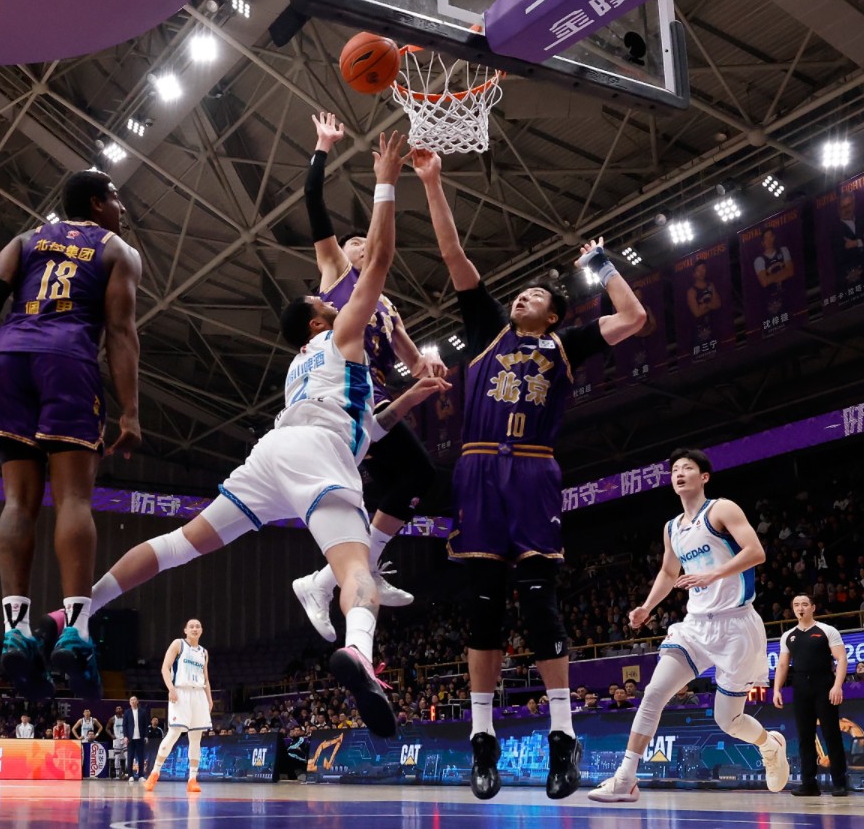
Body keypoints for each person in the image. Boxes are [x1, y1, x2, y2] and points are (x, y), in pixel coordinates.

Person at [88, 133, 443, 739]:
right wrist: (376, 175)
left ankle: (77, 609)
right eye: (322, 298)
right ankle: (355, 635)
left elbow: (376, 413)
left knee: (180, 544)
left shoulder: (314, 354)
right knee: (358, 562)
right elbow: (368, 250)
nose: (356, 249)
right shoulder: (342, 316)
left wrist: (415, 387)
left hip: (289, 443)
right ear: (318, 314)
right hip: (327, 437)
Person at [410, 148, 645, 802]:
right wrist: (431, 181)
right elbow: (453, 252)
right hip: (478, 467)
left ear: (553, 313)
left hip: (533, 470)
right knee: (483, 607)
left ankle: (562, 737)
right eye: (519, 292)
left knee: (539, 602)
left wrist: (602, 264)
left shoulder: (565, 344)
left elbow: (633, 318)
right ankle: (482, 739)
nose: (521, 295)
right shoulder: (487, 330)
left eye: (536, 294)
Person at [0, 168, 143, 701]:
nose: (122, 208)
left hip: (9, 357)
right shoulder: (116, 250)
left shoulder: (24, 240)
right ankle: (77, 630)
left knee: (18, 500)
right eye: (116, 198)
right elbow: (120, 332)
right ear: (97, 203)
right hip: (66, 359)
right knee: (73, 499)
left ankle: (15, 630)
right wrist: (130, 412)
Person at [291, 112, 446, 640]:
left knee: (406, 484)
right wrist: (321, 148)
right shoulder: (335, 275)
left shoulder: (388, 306)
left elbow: (413, 360)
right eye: (353, 241)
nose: (358, 244)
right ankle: (335, 577)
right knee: (415, 474)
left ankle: (331, 578)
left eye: (363, 242)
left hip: (374, 401)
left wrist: (428, 367)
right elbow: (313, 203)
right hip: (346, 399)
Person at [588, 449, 789, 803]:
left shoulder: (722, 509)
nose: (679, 473)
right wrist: (647, 606)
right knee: (653, 693)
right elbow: (669, 572)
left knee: (728, 721)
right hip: (695, 626)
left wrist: (713, 574)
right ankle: (625, 779)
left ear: (704, 476)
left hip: (736, 627)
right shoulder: (672, 528)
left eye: (687, 468)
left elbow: (756, 551)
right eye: (675, 470)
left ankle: (769, 744)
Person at [773, 593, 848, 797]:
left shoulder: (827, 630)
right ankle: (809, 784)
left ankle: (840, 782)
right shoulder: (788, 635)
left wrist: (837, 686)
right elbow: (782, 665)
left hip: (824, 684)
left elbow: (841, 659)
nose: (801, 608)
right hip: (800, 687)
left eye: (805, 604)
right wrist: (777, 689)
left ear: (813, 608)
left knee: (831, 734)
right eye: (797, 605)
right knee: (805, 736)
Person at [146, 619, 213, 793]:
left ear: (202, 630)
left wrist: (209, 699)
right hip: (180, 692)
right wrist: (171, 689)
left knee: (196, 738)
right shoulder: (178, 644)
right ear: (185, 630)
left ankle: (192, 779)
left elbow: (206, 679)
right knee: (174, 733)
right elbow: (165, 668)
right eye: (191, 626)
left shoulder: (204, 652)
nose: (195, 628)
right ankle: (154, 773)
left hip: (199, 694)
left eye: (198, 626)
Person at [833, 193, 864, 292]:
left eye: (849, 205)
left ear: (854, 204)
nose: (847, 209)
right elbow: (839, 255)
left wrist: (856, 243)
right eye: (843, 207)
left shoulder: (863, 221)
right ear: (838, 210)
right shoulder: (835, 231)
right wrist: (862, 242)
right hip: (850, 285)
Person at [752, 227, 794, 319]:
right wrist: (783, 273)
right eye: (766, 238)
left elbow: (790, 272)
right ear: (762, 242)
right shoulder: (759, 260)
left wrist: (770, 277)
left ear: (774, 237)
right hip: (772, 302)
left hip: (788, 295)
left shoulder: (783, 250)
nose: (769, 240)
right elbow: (764, 282)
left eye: (771, 237)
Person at [686, 260, 721, 345]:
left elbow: (718, 304)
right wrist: (711, 305)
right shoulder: (692, 292)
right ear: (694, 274)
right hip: (699, 330)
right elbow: (697, 313)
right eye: (698, 270)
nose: (701, 272)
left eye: (703, 268)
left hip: (714, 324)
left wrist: (705, 305)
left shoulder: (710, 285)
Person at [122, 695, 148, 780]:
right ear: (129, 703)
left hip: (140, 738)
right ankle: (130, 775)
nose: (133, 702)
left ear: (137, 701)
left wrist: (146, 736)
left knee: (141, 757)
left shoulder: (143, 712)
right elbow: (124, 725)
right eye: (131, 700)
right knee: (130, 757)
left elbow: (145, 725)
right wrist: (125, 736)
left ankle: (141, 775)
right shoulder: (127, 712)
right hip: (130, 739)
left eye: (134, 700)